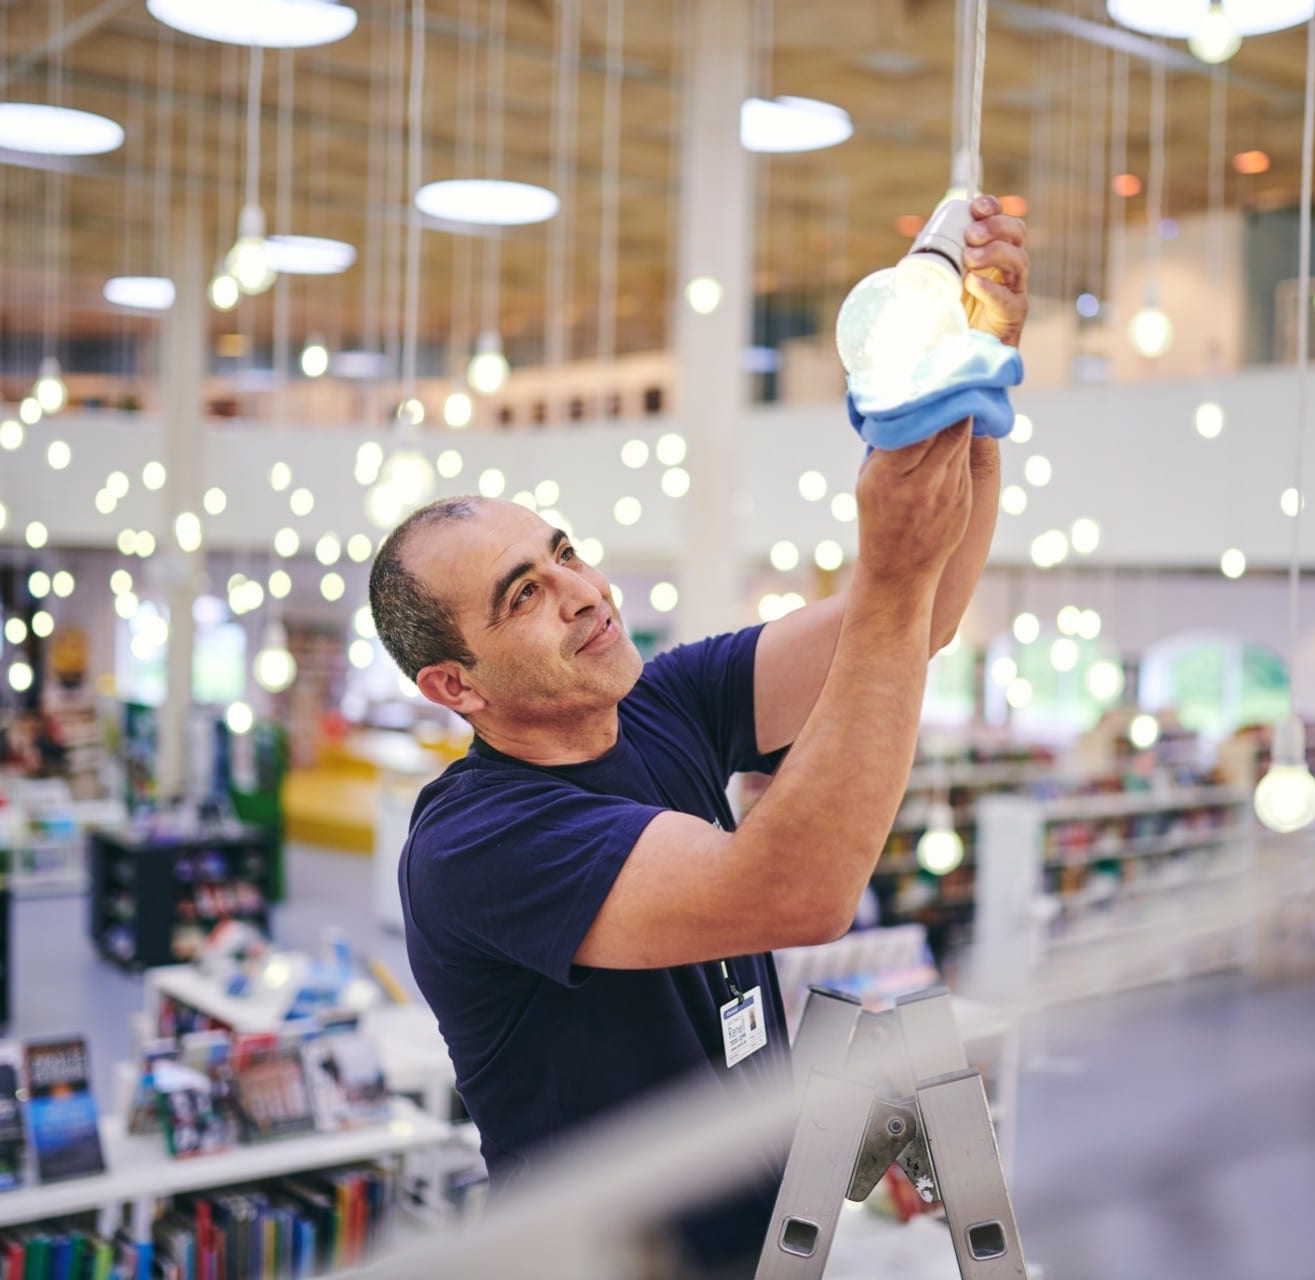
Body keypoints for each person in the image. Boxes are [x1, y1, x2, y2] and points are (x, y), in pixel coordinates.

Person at [368, 195, 1027, 1274]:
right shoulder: (475, 842)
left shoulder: (666, 701)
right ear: (456, 684)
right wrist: (896, 562)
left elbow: (923, 616)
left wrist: (969, 387)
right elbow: (795, 889)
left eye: (566, 551)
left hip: (772, 1242)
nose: (582, 591)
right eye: (524, 593)